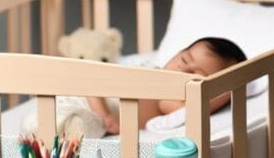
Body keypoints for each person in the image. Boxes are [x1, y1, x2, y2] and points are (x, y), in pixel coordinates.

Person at [86, 37, 248, 134]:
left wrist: (226, 90)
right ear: (177, 53)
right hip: (96, 97)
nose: (183, 69)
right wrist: (104, 114)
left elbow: (196, 109)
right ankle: (102, 115)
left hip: (101, 117)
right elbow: (96, 80)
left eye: (196, 75)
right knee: (90, 81)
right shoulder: (148, 70)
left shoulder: (172, 100)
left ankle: (102, 117)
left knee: (84, 122)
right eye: (184, 59)